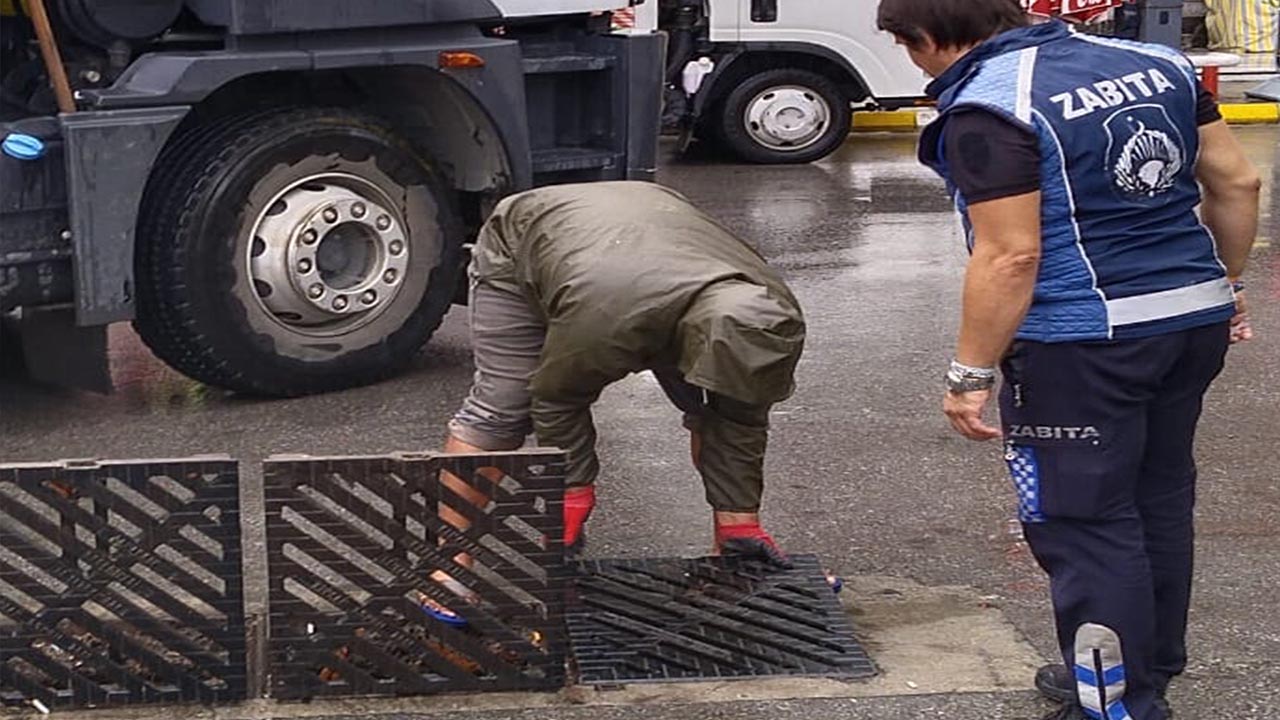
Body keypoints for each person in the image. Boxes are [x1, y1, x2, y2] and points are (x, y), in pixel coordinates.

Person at [876, 1, 1261, 719]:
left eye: (908, 49)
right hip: (1191, 320)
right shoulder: (1159, 63)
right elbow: (1237, 184)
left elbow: (1011, 253)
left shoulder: (993, 107)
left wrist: (970, 373)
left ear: (927, 38)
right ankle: (1144, 670)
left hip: (1084, 344)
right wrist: (1228, 285)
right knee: (1158, 499)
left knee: (1084, 523)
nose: (917, 63)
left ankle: (1113, 701)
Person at [427, 181, 804, 615]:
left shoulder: (770, 310)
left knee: (721, 405)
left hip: (653, 245)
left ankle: (730, 556)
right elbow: (556, 397)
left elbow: (739, 417)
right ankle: (448, 567)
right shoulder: (607, 319)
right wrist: (573, 491)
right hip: (532, 240)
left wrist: (741, 523)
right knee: (501, 412)